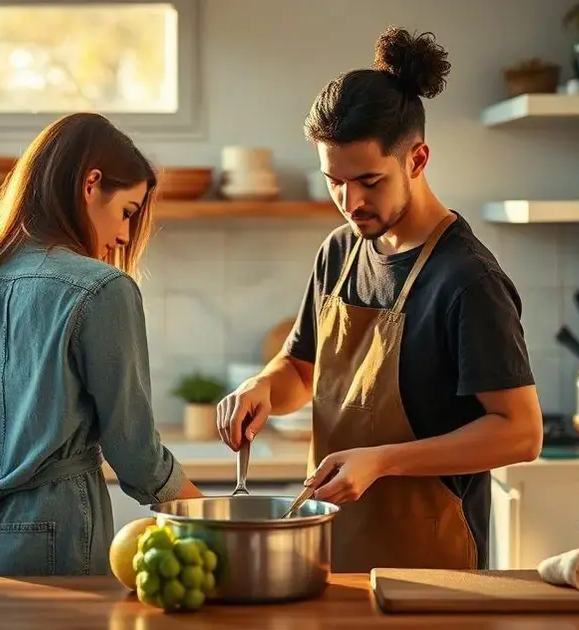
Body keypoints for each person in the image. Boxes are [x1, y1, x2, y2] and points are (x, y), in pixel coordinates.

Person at [217, 27, 543, 573]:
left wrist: (384, 462)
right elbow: (301, 372)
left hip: (432, 565)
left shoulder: (468, 280)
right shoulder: (340, 252)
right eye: (334, 181)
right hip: (333, 551)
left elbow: (520, 432)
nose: (351, 202)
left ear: (417, 159)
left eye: (369, 180)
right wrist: (261, 388)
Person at [0, 112, 201, 577]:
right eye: (128, 213)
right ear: (90, 184)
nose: (123, 236)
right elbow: (136, 455)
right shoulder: (101, 288)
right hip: (51, 536)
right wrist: (205, 513)